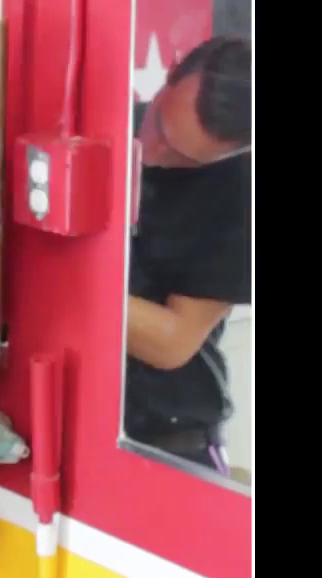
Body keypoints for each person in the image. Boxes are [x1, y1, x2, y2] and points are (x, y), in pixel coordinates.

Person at [125, 35, 252, 476]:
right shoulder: (109, 124)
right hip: (78, 407)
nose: (154, 151)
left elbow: (171, 341)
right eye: (160, 124)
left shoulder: (239, 201)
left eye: (184, 158)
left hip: (171, 438)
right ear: (170, 75)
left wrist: (63, 283)